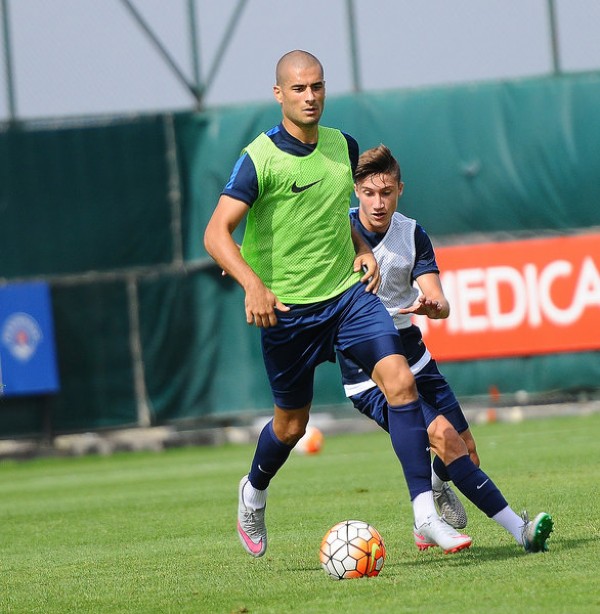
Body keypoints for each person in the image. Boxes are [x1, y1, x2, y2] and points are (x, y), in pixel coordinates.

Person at [204, 50, 472, 558]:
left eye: (318, 86)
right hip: (288, 311)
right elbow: (216, 234)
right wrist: (252, 284)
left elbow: (332, 216)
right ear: (279, 94)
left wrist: (363, 248)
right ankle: (253, 490)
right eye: (299, 88)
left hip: (348, 298)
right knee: (291, 426)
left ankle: (425, 515)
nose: (310, 97)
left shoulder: (342, 146)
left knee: (400, 381)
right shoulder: (259, 158)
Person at [338, 143, 554, 553]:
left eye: (386, 192)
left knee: (466, 451)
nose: (378, 203)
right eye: (369, 193)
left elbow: (440, 301)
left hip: (414, 357)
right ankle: (520, 530)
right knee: (444, 437)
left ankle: (435, 490)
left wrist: (433, 306)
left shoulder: (411, 233)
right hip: (371, 370)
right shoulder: (338, 232)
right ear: (356, 191)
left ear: (400, 190)